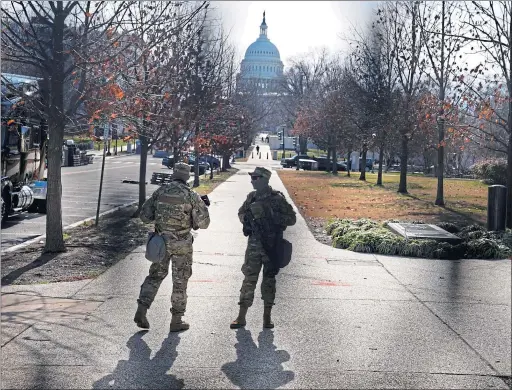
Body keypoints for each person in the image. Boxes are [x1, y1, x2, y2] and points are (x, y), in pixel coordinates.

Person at [134, 162, 210, 332]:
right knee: (180, 281)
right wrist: (201, 209)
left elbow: (145, 216)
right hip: (182, 244)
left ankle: (142, 309)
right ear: (187, 177)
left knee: (155, 276)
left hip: (160, 243)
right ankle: (176, 320)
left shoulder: (160, 191)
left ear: (173, 174)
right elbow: (204, 223)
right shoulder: (191, 195)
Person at [231, 167, 296, 329]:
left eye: (255, 177)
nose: (252, 180)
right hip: (253, 246)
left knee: (269, 280)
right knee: (248, 279)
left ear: (265, 179)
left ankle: (267, 317)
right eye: (252, 177)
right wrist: (248, 219)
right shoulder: (251, 197)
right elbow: (240, 214)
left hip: (271, 246)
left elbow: (291, 219)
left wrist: (269, 214)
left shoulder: (277, 199)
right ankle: (241, 316)